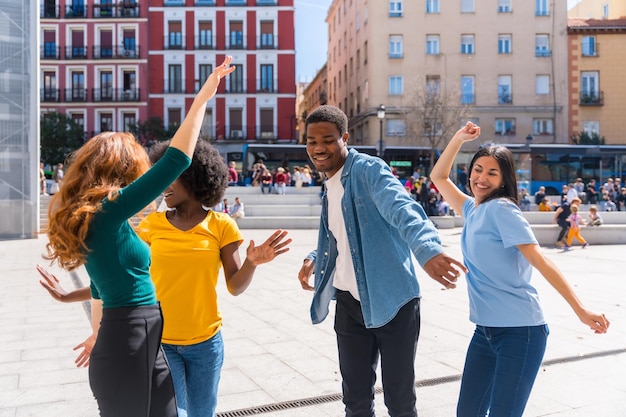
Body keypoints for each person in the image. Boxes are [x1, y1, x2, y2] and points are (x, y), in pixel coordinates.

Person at [38, 56, 235, 417]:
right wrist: (203, 98)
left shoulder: (103, 220)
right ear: (121, 168)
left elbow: (102, 288)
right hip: (129, 344)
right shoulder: (108, 212)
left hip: (140, 341)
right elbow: (176, 162)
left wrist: (92, 327)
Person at [40, 139, 291, 417]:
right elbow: (123, 279)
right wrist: (68, 296)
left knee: (202, 413)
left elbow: (235, 286)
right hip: (161, 343)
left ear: (197, 179)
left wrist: (252, 264)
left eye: (171, 178)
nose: (163, 185)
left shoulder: (222, 225)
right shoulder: (151, 225)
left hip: (206, 344)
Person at [297, 105, 467, 417]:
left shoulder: (368, 170)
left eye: (327, 140)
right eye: (311, 141)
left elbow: (403, 209)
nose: (319, 148)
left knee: (400, 403)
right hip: (349, 305)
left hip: (393, 302)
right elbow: (338, 231)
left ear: (345, 138)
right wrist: (313, 258)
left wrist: (428, 250)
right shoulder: (328, 183)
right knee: (356, 402)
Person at [430, 121, 609, 417]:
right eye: (478, 170)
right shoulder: (473, 209)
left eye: (492, 172)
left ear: (504, 179)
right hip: (484, 332)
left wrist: (581, 310)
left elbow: (541, 260)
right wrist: (459, 139)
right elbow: (439, 176)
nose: (482, 178)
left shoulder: (502, 210)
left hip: (520, 333)